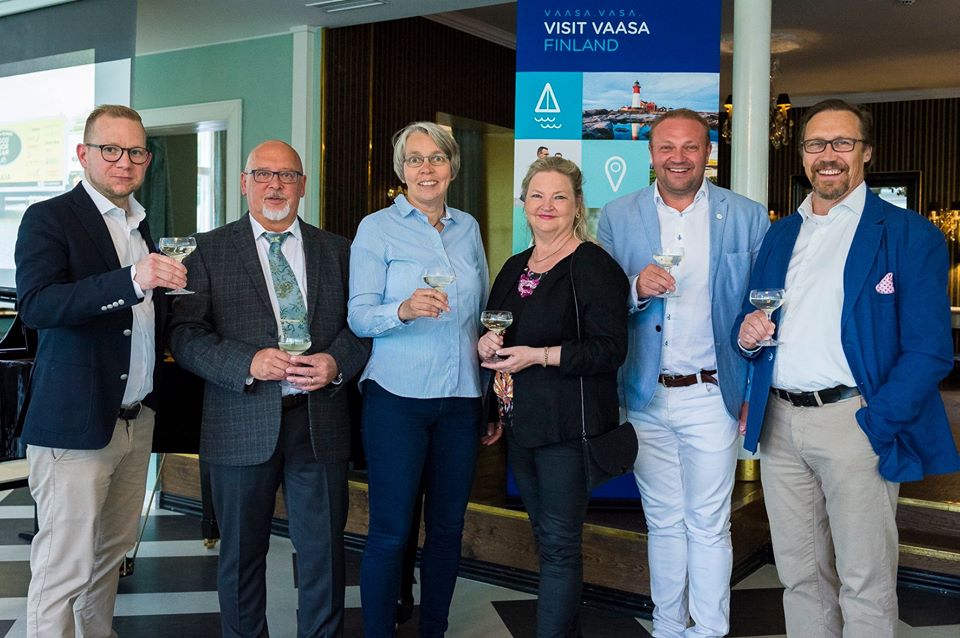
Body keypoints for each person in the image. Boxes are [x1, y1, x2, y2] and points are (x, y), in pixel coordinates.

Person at [734, 99, 960, 637]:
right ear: (802, 154)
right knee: (800, 576)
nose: (828, 155)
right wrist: (747, 335)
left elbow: (930, 349)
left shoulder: (909, 234)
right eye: (816, 144)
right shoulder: (780, 235)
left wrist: (876, 423)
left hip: (855, 421)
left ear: (867, 153)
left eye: (842, 143)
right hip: (779, 423)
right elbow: (754, 317)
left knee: (865, 580)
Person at [170, 140, 369, 638]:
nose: (275, 185)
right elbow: (185, 335)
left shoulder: (339, 250)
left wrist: (335, 363)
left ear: (303, 186)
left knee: (324, 553)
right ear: (244, 183)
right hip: (239, 420)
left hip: (319, 420)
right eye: (262, 174)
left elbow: (361, 327)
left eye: (287, 175)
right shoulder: (207, 250)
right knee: (240, 557)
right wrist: (248, 362)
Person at [14, 104, 187, 637]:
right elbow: (37, 305)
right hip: (75, 422)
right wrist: (131, 280)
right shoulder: (49, 217)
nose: (124, 161)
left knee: (109, 558)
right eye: (110, 149)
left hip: (135, 420)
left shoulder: (140, 224)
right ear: (83, 154)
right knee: (63, 568)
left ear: (147, 160)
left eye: (135, 151)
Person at [597, 109, 769, 637]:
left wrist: (753, 390)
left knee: (709, 524)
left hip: (713, 393)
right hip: (644, 394)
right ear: (650, 154)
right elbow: (599, 304)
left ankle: (709, 630)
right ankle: (669, 626)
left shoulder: (746, 216)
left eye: (690, 147)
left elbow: (762, 306)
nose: (678, 157)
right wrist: (634, 288)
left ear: (707, 152)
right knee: (663, 522)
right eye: (667, 147)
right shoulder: (617, 215)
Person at [348, 122, 489, 638]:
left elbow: (479, 315)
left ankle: (435, 630)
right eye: (414, 159)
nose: (426, 168)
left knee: (448, 530)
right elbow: (359, 317)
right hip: (397, 400)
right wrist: (403, 310)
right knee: (390, 530)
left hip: (461, 400)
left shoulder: (468, 227)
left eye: (436, 158)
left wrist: (491, 396)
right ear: (401, 170)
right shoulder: (376, 228)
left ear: (452, 167)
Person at [478, 156, 628, 637]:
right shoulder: (514, 266)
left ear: (577, 205)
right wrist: (486, 346)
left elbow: (610, 350)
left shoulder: (594, 266)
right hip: (522, 426)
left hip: (568, 430)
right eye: (537, 196)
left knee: (560, 546)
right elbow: (495, 332)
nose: (547, 205)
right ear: (523, 203)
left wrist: (538, 356)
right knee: (546, 540)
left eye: (559, 197)